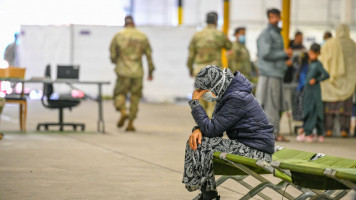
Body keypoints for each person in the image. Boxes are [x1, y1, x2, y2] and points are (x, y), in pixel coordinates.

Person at [182, 65, 274, 200]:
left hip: (258, 150)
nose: (204, 95)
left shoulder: (236, 98)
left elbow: (212, 130)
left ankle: (209, 195)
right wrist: (197, 130)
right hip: (248, 145)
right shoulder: (228, 94)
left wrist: (195, 103)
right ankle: (207, 193)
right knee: (198, 141)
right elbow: (215, 130)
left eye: (204, 91)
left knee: (203, 144)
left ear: (215, 85)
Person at [109, 15, 155, 131]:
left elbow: (113, 55)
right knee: (135, 97)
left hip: (123, 71)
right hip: (137, 72)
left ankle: (123, 111)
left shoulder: (118, 35)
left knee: (119, 93)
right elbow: (149, 56)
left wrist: (117, 61)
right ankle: (130, 123)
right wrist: (150, 71)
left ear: (125, 23)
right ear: (134, 23)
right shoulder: (142, 36)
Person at [255, 8, 293, 142]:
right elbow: (265, 53)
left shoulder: (276, 33)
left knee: (274, 104)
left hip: (275, 73)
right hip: (270, 74)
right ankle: (271, 134)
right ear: (268, 18)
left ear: (280, 17)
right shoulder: (267, 34)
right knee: (271, 104)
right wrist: (284, 54)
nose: (274, 19)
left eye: (276, 17)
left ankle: (272, 133)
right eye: (271, 17)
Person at [187, 11, 232, 118]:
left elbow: (191, 56)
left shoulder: (197, 35)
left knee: (201, 101)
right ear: (216, 21)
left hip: (200, 71)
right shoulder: (220, 34)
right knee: (213, 102)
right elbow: (229, 46)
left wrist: (190, 69)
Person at [320, 24, 356, 137]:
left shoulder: (330, 43)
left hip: (332, 82)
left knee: (330, 105)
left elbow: (323, 59)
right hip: (348, 83)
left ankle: (328, 130)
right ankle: (344, 130)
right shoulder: (352, 45)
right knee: (345, 106)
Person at [296, 44, 329, 142]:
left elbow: (326, 75)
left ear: (318, 53)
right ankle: (317, 133)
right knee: (308, 110)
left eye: (313, 54)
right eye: (310, 53)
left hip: (314, 91)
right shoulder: (311, 63)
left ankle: (308, 132)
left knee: (313, 111)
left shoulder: (318, 64)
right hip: (308, 91)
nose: (311, 55)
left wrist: (317, 79)